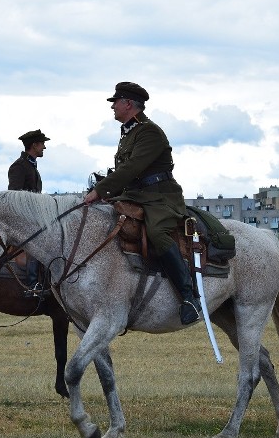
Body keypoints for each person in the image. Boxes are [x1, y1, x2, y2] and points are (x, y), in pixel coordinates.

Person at [83, 82, 200, 325]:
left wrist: (100, 190)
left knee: (157, 233)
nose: (112, 106)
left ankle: (189, 296)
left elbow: (132, 167)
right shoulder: (129, 132)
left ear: (128, 104)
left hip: (159, 197)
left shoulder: (149, 132)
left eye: (115, 102)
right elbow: (127, 172)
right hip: (135, 195)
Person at [8, 129, 49, 291]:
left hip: (34, 216)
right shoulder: (19, 167)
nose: (44, 148)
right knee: (36, 244)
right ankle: (33, 283)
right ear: (34, 145)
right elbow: (15, 197)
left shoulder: (32, 166)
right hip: (23, 219)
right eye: (42, 144)